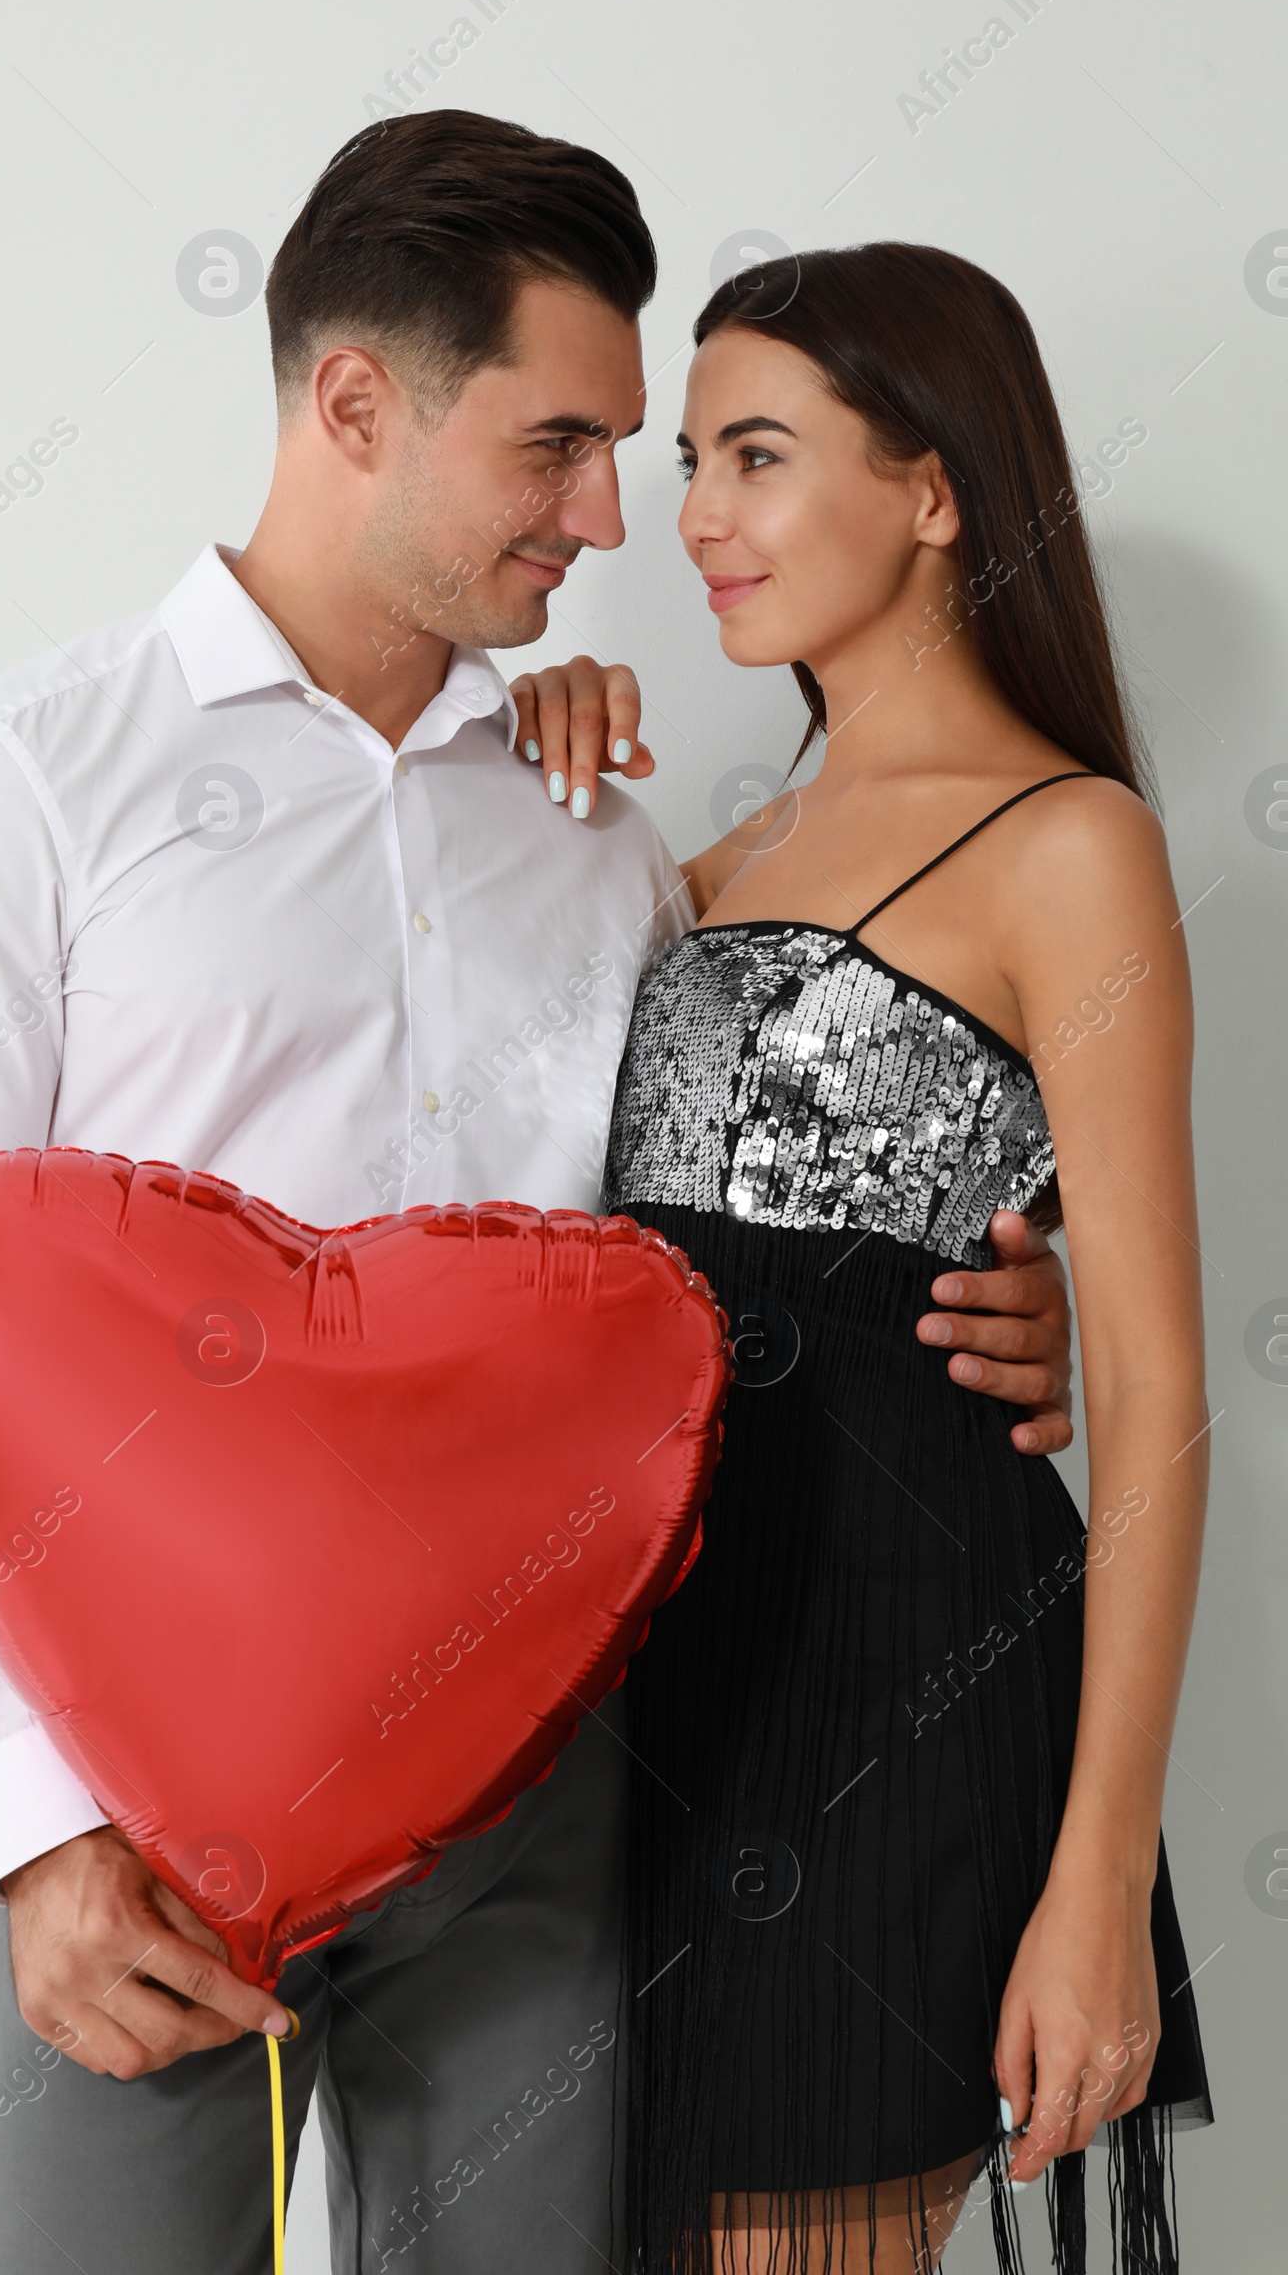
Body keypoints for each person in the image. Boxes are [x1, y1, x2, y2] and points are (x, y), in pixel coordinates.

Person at [0, 121, 1074, 2275]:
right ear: (353, 404)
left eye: (621, 453)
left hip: (530, 1818)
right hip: (127, 1798)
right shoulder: (2, 793)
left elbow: (708, 1237)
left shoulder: (593, 836)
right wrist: (28, 1839)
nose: (605, 519)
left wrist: (1018, 1318)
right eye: (554, 448)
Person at [520, 243, 1211, 2273]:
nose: (694, 521)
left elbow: (1159, 1399)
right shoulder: (700, 858)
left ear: (931, 489)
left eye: (752, 455)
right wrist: (517, 740)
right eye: (683, 462)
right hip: (645, 1697)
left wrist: (1091, 1890)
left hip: (891, 1694)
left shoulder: (1064, 842)